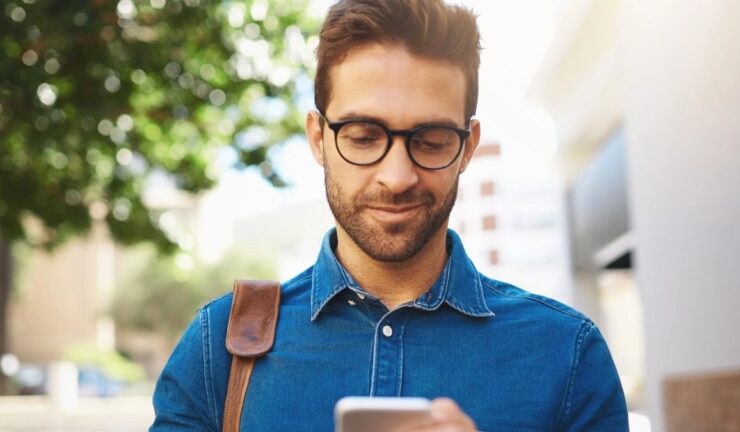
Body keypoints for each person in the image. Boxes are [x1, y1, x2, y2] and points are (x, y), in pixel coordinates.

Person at [150, 0, 629, 430]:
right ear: (318, 138)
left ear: (468, 149)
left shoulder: (566, 355)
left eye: (432, 140)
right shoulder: (219, 349)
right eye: (363, 136)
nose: (397, 177)